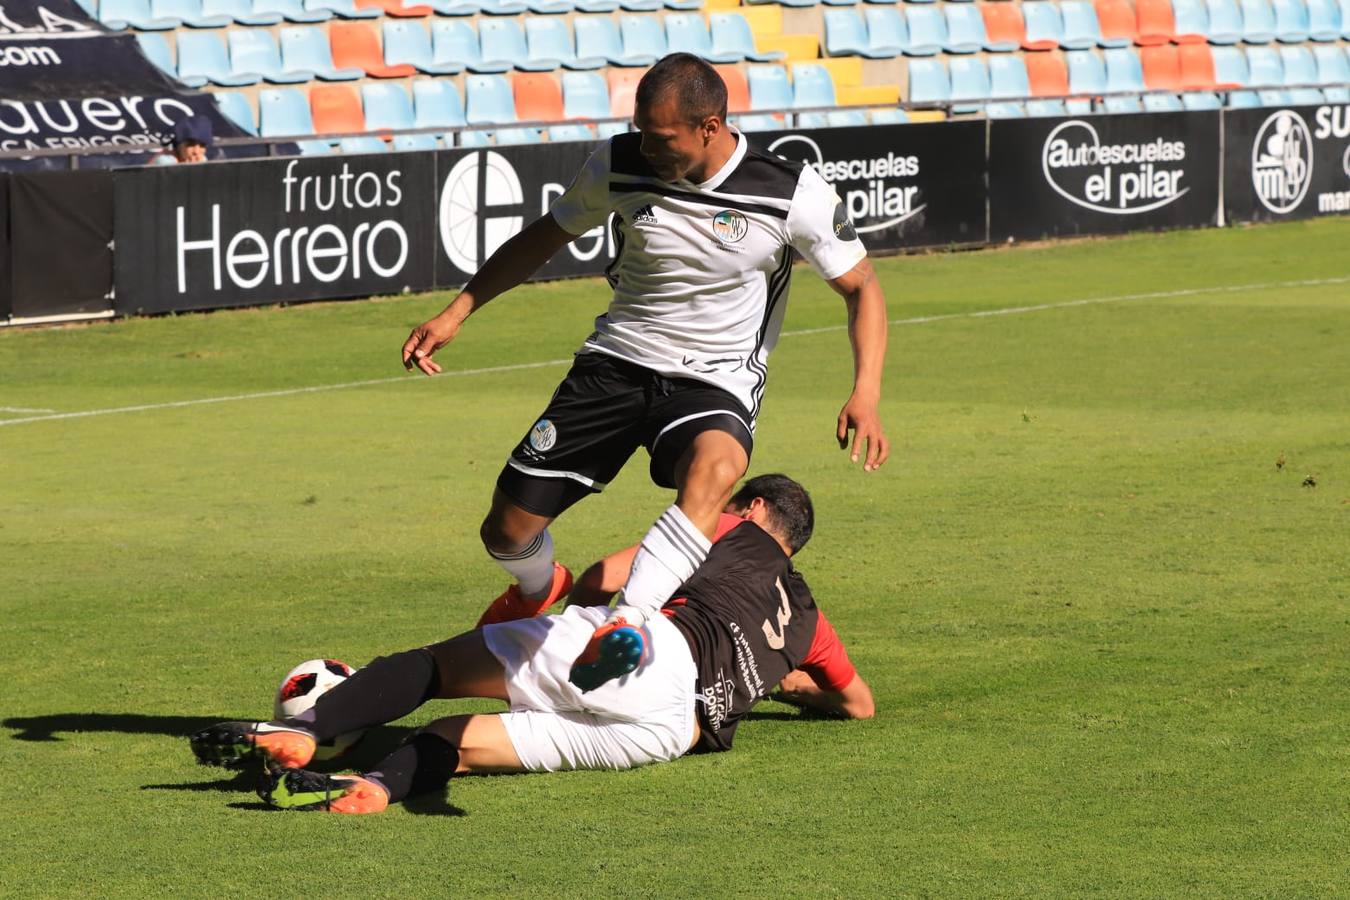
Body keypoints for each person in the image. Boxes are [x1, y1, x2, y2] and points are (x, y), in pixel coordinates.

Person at [400, 53, 891, 647]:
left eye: (661, 139)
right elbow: (546, 235)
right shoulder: (618, 163)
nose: (648, 149)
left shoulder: (791, 192)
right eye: (641, 134)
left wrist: (865, 392)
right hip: (615, 363)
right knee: (505, 532)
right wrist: (457, 311)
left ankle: (626, 626)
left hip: (715, 379)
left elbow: (861, 286)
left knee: (717, 469)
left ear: (710, 127)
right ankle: (536, 587)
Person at [190, 474, 874, 814]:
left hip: (649, 650)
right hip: (675, 732)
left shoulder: (733, 531)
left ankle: (308, 728)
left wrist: (564, 622)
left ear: (752, 511)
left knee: (437, 666)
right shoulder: (812, 622)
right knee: (459, 741)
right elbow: (858, 705)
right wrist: (787, 683)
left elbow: (612, 574)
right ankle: (368, 787)